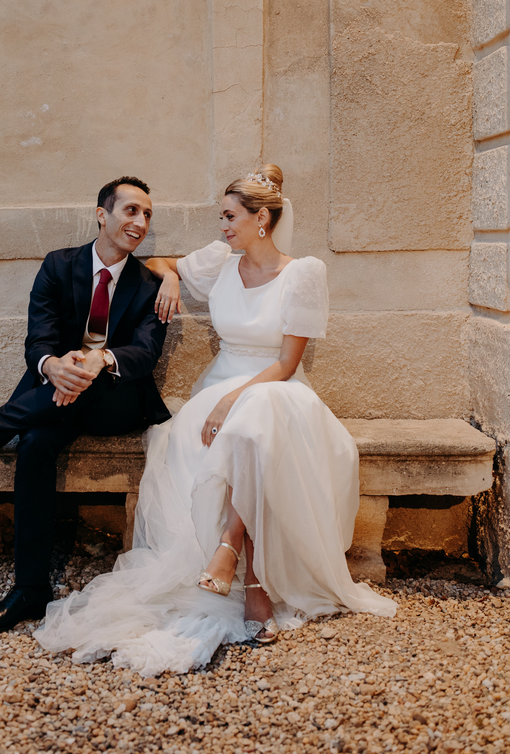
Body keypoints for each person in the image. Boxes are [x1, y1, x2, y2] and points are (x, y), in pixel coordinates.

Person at [33, 164, 395, 675]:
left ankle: (233, 557)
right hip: (219, 383)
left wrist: (232, 401)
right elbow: (157, 261)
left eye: (229, 217)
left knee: (251, 422)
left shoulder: (304, 273)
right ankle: (245, 576)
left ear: (261, 220)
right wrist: (176, 277)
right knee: (218, 435)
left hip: (275, 387)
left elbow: (286, 364)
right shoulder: (219, 262)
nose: (222, 227)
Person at [0, 176, 170, 632]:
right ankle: (29, 591)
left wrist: (97, 360)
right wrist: (54, 366)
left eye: (147, 214)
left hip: (117, 400)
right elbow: (38, 337)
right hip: (55, 396)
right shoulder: (58, 265)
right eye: (131, 210)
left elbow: (145, 352)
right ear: (102, 214)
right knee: (33, 445)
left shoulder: (150, 284)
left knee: (75, 390)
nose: (140, 222)